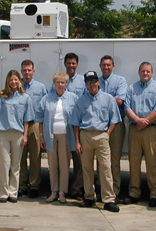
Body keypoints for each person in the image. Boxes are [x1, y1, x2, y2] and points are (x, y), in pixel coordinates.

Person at [69, 71, 121, 212]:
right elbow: (75, 123)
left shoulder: (108, 99)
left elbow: (114, 119)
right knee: (87, 169)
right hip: (85, 135)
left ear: (98, 82)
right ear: (85, 84)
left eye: (94, 81)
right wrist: (77, 141)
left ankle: (109, 199)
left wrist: (107, 135)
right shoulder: (81, 101)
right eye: (89, 82)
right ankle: (89, 197)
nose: (92, 84)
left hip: (101, 135)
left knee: (105, 168)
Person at [123, 62, 156, 208]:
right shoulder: (131, 88)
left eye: (148, 71)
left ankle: (154, 194)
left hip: (151, 130)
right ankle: (134, 193)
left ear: (152, 73)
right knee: (134, 162)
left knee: (152, 163)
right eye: (143, 71)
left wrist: (145, 121)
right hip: (135, 129)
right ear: (139, 72)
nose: (145, 73)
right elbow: (127, 107)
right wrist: (137, 120)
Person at [36, 72, 78, 204]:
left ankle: (62, 192)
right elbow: (40, 119)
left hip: (66, 135)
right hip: (50, 135)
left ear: (66, 84)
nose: (60, 85)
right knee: (52, 164)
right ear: (54, 84)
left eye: (63, 82)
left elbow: (77, 119)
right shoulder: (46, 98)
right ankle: (53, 191)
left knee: (64, 164)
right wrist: (41, 136)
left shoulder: (73, 98)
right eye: (58, 82)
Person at [0, 70, 35, 203]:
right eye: (11, 80)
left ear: (19, 81)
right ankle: (3, 193)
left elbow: (27, 119)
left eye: (16, 79)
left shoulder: (25, 97)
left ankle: (13, 192)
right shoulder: (0, 96)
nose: (13, 82)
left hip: (18, 133)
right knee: (4, 164)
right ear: (7, 81)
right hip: (3, 132)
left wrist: (25, 135)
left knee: (16, 165)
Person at [98, 55, 127, 199]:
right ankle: (102, 189)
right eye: (103, 65)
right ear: (100, 66)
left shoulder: (120, 81)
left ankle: (114, 190)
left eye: (108, 65)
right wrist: (110, 99)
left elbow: (120, 101)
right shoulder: (96, 81)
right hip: (99, 125)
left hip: (116, 125)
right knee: (101, 159)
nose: (106, 67)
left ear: (113, 66)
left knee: (114, 159)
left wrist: (101, 98)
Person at [18, 60, 48, 198]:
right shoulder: (16, 86)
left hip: (35, 124)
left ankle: (34, 185)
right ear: (21, 71)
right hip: (19, 125)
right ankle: (22, 185)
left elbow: (45, 108)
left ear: (33, 71)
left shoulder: (41, 88)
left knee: (35, 156)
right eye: (24, 70)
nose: (27, 72)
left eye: (29, 70)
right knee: (21, 156)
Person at [63, 52, 85, 200]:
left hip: (78, 126)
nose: (71, 66)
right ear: (65, 64)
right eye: (69, 63)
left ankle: (77, 189)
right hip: (62, 126)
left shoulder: (83, 81)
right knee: (63, 160)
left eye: (73, 63)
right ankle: (62, 188)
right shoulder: (59, 80)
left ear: (77, 64)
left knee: (79, 161)